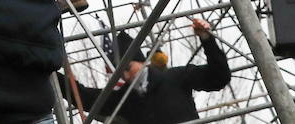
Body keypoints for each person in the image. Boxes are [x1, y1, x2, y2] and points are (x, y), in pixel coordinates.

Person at [64, 19, 230, 124]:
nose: (125, 75)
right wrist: (48, 70)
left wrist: (208, 41)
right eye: (119, 72)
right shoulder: (123, 98)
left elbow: (218, 78)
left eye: (127, 67)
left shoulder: (176, 77)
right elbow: (85, 97)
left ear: (141, 61)